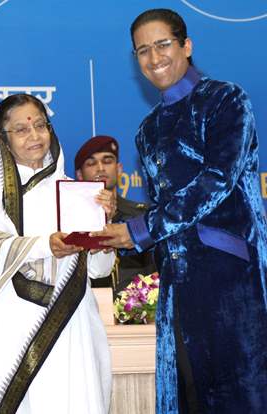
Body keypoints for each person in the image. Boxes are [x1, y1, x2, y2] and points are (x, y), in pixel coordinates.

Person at [90, 8, 267, 414]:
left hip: (228, 279)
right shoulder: (147, 129)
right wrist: (118, 219)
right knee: (188, 395)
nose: (154, 58)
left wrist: (138, 229)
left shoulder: (226, 99)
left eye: (163, 45)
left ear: (186, 45)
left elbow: (216, 182)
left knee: (238, 395)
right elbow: (165, 205)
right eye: (143, 51)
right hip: (176, 284)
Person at [0, 94, 115, 414]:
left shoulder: (73, 190)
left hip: (72, 329)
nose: (35, 135)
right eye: (22, 130)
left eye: (40, 125)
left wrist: (104, 229)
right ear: (3, 141)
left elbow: (98, 269)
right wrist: (44, 245)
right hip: (10, 335)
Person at [74, 135, 156, 295]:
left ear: (119, 169)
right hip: (89, 310)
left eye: (107, 161)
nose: (100, 168)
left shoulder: (143, 215)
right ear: (79, 175)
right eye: (91, 163)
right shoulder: (70, 221)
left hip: (139, 311)